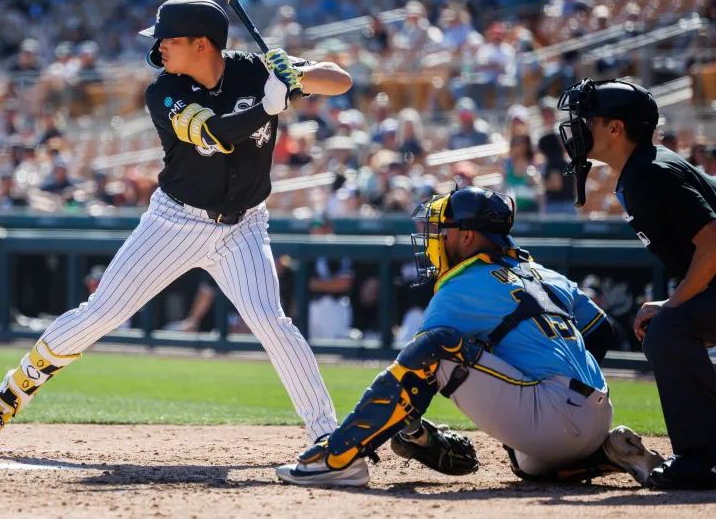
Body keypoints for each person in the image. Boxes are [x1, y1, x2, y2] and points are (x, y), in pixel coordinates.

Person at [0, 0, 353, 444]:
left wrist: (298, 75)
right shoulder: (163, 91)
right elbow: (214, 132)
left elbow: (341, 80)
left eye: (168, 39)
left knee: (272, 322)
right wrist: (268, 107)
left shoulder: (256, 70)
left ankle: (327, 435)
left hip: (245, 224)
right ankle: (22, 382)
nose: (159, 48)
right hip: (176, 222)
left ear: (201, 44)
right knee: (103, 313)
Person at [276, 186, 660, 487]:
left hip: (551, 418)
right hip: (597, 411)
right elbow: (602, 333)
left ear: (466, 236)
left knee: (436, 348)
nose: (434, 239)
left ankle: (338, 458)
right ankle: (605, 453)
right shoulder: (544, 272)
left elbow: (422, 362)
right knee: (525, 463)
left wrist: (412, 428)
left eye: (441, 230)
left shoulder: (460, 282)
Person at [558, 77, 716, 489]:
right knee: (668, 325)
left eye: (588, 119)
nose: (579, 126)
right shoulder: (644, 167)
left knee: (667, 330)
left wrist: (674, 303)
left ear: (615, 128)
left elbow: (714, 242)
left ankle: (702, 458)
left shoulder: (648, 172)